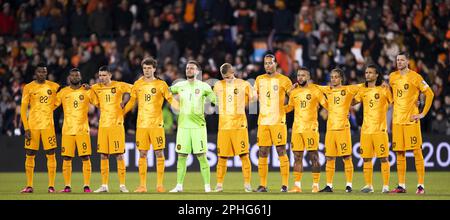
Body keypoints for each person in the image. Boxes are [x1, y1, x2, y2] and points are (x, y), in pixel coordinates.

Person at [124, 57, 178, 193]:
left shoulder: (161, 84)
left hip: (156, 125)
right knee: (142, 154)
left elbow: (170, 99)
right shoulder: (137, 84)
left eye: (149, 68)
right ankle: (142, 185)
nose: (147, 70)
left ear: (154, 69)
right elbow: (132, 101)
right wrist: (122, 112)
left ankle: (159, 185)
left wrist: (181, 109)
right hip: (142, 125)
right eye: (145, 68)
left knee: (159, 153)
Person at [389, 52, 434, 194]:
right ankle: (401, 185)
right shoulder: (392, 77)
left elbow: (430, 94)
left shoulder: (416, 77)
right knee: (399, 154)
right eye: (397, 60)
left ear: (407, 61)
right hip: (397, 121)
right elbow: (394, 97)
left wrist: (422, 113)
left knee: (417, 152)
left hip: (411, 121)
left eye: (402, 60)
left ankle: (420, 186)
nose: (399, 62)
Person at [169, 60, 217, 193]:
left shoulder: (204, 86)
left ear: (197, 72)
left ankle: (207, 187)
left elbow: (216, 100)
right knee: (181, 156)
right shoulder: (179, 85)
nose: (189, 70)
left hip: (198, 127)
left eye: (192, 68)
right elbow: (165, 91)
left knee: (201, 156)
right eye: (187, 68)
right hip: (183, 126)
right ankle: (179, 186)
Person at [317, 68, 362, 193]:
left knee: (346, 157)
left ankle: (348, 185)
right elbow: (314, 87)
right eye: (332, 77)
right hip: (330, 129)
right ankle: (329, 185)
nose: (333, 79)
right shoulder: (328, 90)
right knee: (330, 158)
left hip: (343, 128)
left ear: (341, 78)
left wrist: (353, 102)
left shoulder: (348, 89)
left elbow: (364, 87)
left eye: (336, 77)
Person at [284, 67, 327, 193]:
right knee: (297, 157)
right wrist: (278, 109)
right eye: (298, 75)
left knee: (313, 156)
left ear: (308, 77)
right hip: (297, 129)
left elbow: (326, 104)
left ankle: (315, 185)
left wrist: (340, 113)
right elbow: (290, 108)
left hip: (311, 128)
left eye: (303, 75)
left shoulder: (315, 90)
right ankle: (297, 186)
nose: (300, 77)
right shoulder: (294, 92)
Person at [254, 54, 292, 192]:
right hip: (263, 122)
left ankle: (285, 185)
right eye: (265, 63)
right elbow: (253, 97)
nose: (268, 65)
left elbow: (293, 97)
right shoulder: (259, 79)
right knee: (263, 152)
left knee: (281, 150)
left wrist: (286, 109)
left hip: (278, 121)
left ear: (276, 64)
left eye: (270, 63)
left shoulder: (284, 80)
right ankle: (263, 185)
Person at [213, 63, 254, 193]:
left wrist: (251, 99)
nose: (227, 80)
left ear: (233, 72)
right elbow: (214, 101)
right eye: (224, 77)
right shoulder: (218, 85)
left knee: (244, 155)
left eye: (228, 77)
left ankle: (247, 184)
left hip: (239, 125)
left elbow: (253, 98)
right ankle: (219, 184)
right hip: (224, 126)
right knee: (222, 157)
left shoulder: (244, 84)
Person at [20, 63, 60, 193]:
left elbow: (65, 94)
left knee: (51, 154)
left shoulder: (54, 86)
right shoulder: (28, 87)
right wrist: (26, 128)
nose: (42, 74)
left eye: (44, 72)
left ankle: (51, 186)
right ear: (35, 73)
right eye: (40, 72)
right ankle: (29, 185)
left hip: (48, 126)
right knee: (30, 154)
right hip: (33, 126)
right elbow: (23, 109)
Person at [91, 66, 132, 193]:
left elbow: (135, 89)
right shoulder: (96, 88)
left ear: (110, 75)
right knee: (103, 155)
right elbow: (87, 94)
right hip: (103, 125)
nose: (102, 77)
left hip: (116, 125)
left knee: (119, 155)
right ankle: (104, 185)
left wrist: (126, 104)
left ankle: (122, 185)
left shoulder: (119, 85)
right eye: (100, 75)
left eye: (104, 75)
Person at [353, 64, 392, 193]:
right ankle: (368, 185)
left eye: (370, 72)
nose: (367, 75)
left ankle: (385, 186)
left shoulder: (383, 89)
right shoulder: (363, 90)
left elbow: (394, 103)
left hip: (380, 129)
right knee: (366, 158)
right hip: (366, 130)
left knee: (384, 158)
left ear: (376, 75)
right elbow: (353, 102)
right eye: (366, 72)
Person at [54, 68, 94, 193]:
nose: (75, 77)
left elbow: (98, 104)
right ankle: (67, 186)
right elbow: (52, 106)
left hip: (83, 130)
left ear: (80, 77)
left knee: (85, 157)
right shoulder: (63, 92)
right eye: (73, 75)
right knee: (66, 158)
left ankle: (86, 186)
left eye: (77, 75)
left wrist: (92, 89)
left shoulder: (87, 91)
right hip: (68, 130)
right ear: (69, 77)